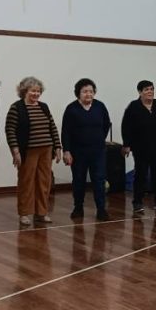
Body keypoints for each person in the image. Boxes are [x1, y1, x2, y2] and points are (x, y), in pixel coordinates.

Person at [5, 76, 61, 226]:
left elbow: (52, 127)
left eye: (38, 91)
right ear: (24, 91)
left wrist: (58, 147)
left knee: (44, 182)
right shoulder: (16, 108)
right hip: (28, 151)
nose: (36, 94)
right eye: (33, 91)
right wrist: (15, 152)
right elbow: (10, 130)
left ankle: (41, 213)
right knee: (26, 182)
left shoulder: (44, 107)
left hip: (46, 150)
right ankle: (24, 213)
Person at [120, 80, 156, 214]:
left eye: (151, 89)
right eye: (146, 89)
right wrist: (126, 144)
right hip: (140, 147)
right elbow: (126, 126)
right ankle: (137, 202)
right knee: (141, 175)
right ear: (140, 92)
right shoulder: (133, 106)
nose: (150, 92)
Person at [61, 78, 111, 221]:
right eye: (85, 91)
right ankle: (78, 207)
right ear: (78, 93)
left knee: (99, 180)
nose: (88, 94)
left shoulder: (100, 106)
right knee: (78, 180)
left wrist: (98, 138)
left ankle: (101, 209)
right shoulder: (71, 109)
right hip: (78, 152)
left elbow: (106, 124)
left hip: (98, 151)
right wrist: (67, 151)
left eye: (91, 91)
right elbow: (66, 132)